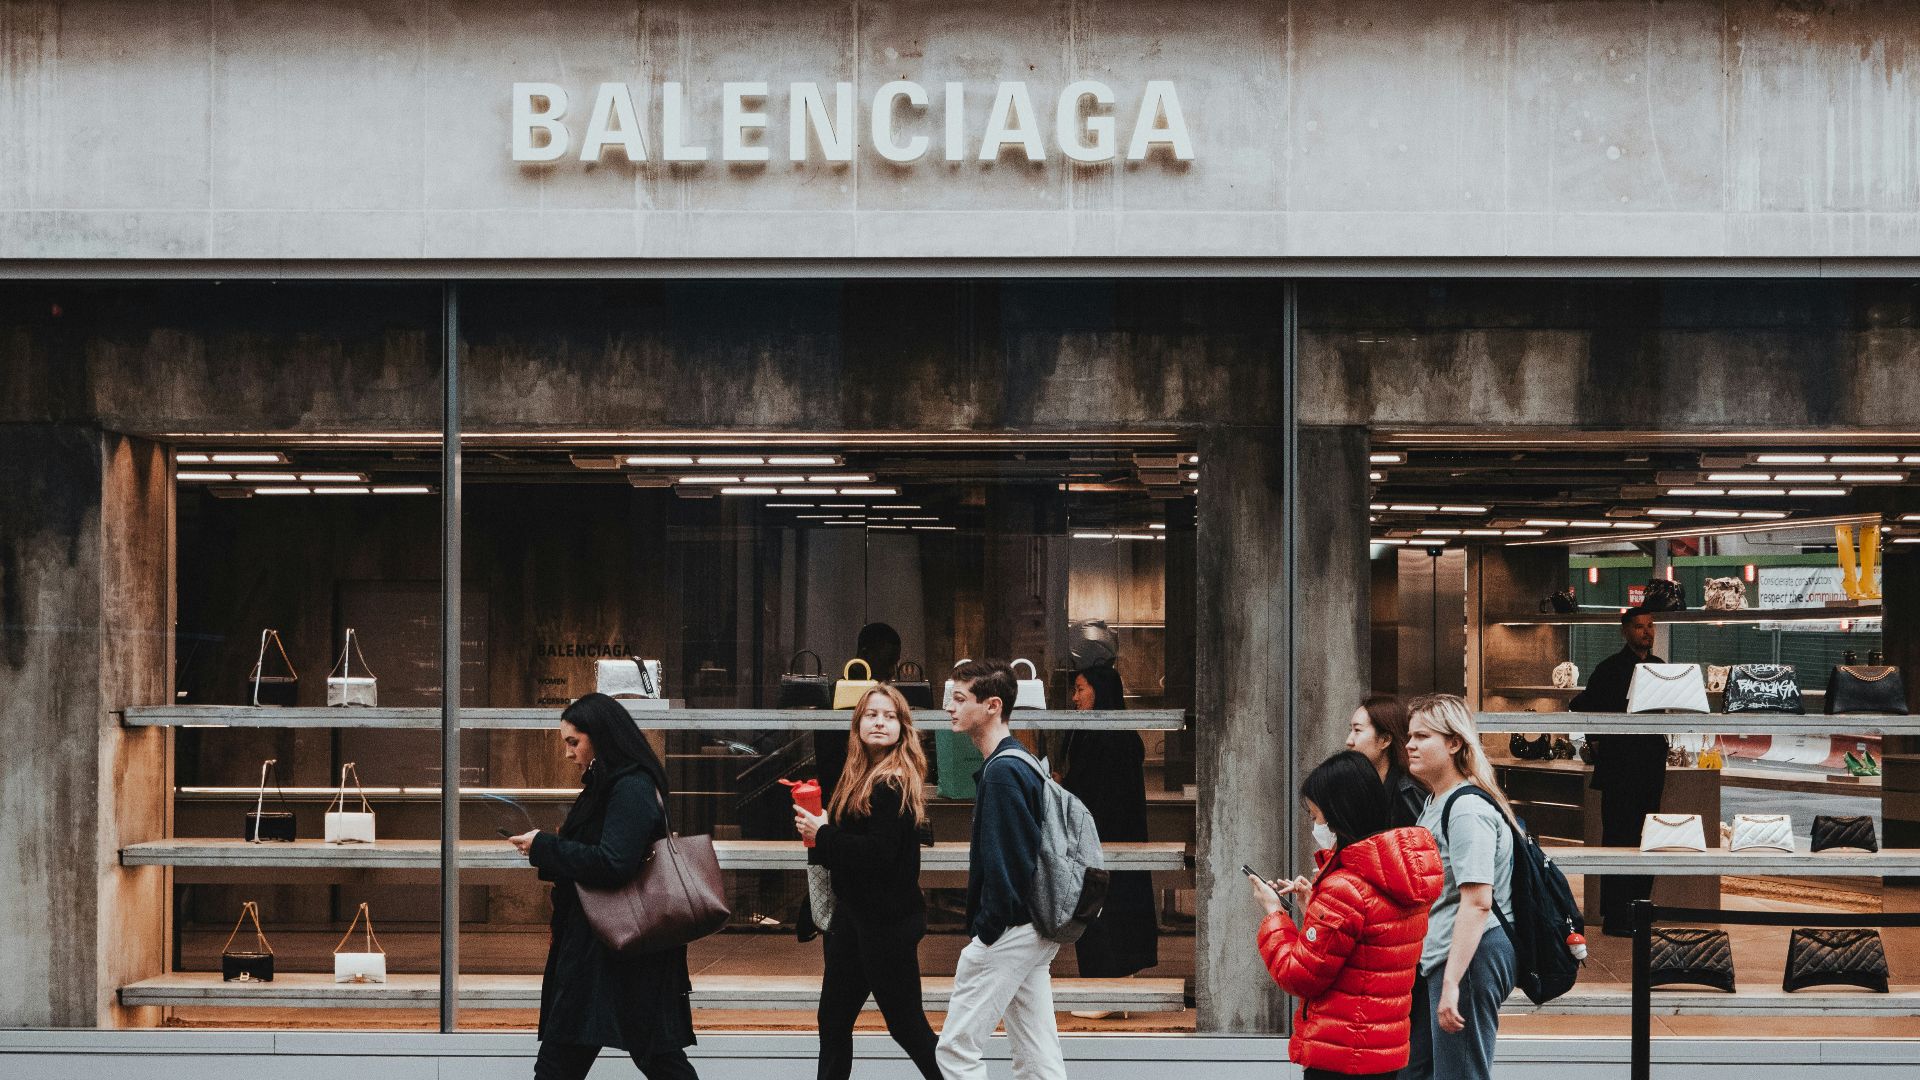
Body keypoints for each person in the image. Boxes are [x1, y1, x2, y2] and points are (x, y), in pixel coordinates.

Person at [507, 693, 698, 1080]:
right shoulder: (611, 783)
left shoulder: (629, 786)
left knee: (578, 1063)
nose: (567, 753)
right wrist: (549, 848)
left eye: (573, 742)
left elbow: (613, 862)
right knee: (654, 1058)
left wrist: (545, 846)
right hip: (615, 947)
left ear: (601, 736)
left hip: (613, 948)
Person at [1250, 751, 1443, 1079]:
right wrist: (1314, 907)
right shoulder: (1396, 878)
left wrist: (1273, 914)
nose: (1315, 826)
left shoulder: (1345, 887)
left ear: (1338, 814)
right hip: (1383, 1052)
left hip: (1341, 1057)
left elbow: (1300, 975)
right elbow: (1367, 949)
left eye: (1315, 816)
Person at [792, 685, 943, 1080]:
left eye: (889, 716)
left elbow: (878, 854)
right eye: (871, 715)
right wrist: (820, 829)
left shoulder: (892, 782)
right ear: (857, 724)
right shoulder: (858, 776)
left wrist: (822, 833)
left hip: (886, 924)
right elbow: (851, 846)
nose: (879, 722)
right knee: (834, 1020)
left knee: (907, 1026)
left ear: (902, 727)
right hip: (854, 920)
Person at [935, 658, 1066, 1080]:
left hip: (1009, 929)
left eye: (959, 699)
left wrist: (987, 932)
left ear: (993, 706)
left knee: (955, 1050)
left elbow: (1008, 861)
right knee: (1037, 1056)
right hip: (1034, 928)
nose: (949, 709)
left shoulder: (1003, 773)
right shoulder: (1020, 761)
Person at [1400, 694, 1517, 1080]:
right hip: (1446, 955)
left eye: (1422, 736)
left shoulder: (1466, 809)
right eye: (1410, 736)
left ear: (1454, 743)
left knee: (1459, 1075)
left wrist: (1452, 982)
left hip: (1469, 955)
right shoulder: (1436, 800)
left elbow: (1478, 902)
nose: (1410, 745)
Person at [1057, 663, 1159, 999]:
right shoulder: (1107, 733)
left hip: (1106, 839)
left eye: (1082, 688)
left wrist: (1063, 787)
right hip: (1108, 839)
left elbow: (1094, 790)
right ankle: (1109, 987)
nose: (1076, 697)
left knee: (1104, 912)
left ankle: (1105, 991)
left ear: (1101, 691)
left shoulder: (1107, 737)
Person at [1567, 606, 1667, 936]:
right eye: (1639, 627)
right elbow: (1579, 705)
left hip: (1651, 766)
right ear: (1625, 631)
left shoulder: (1660, 668)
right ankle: (1615, 916)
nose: (1646, 632)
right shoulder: (1609, 669)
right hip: (1620, 767)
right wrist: (1597, 740)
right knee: (1618, 839)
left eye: (1650, 625)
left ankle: (1639, 912)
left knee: (1647, 839)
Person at [1344, 694, 1425, 828]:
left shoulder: (1408, 793)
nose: (1349, 741)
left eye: (1357, 730)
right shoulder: (1362, 787)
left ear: (1385, 740)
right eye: (1350, 730)